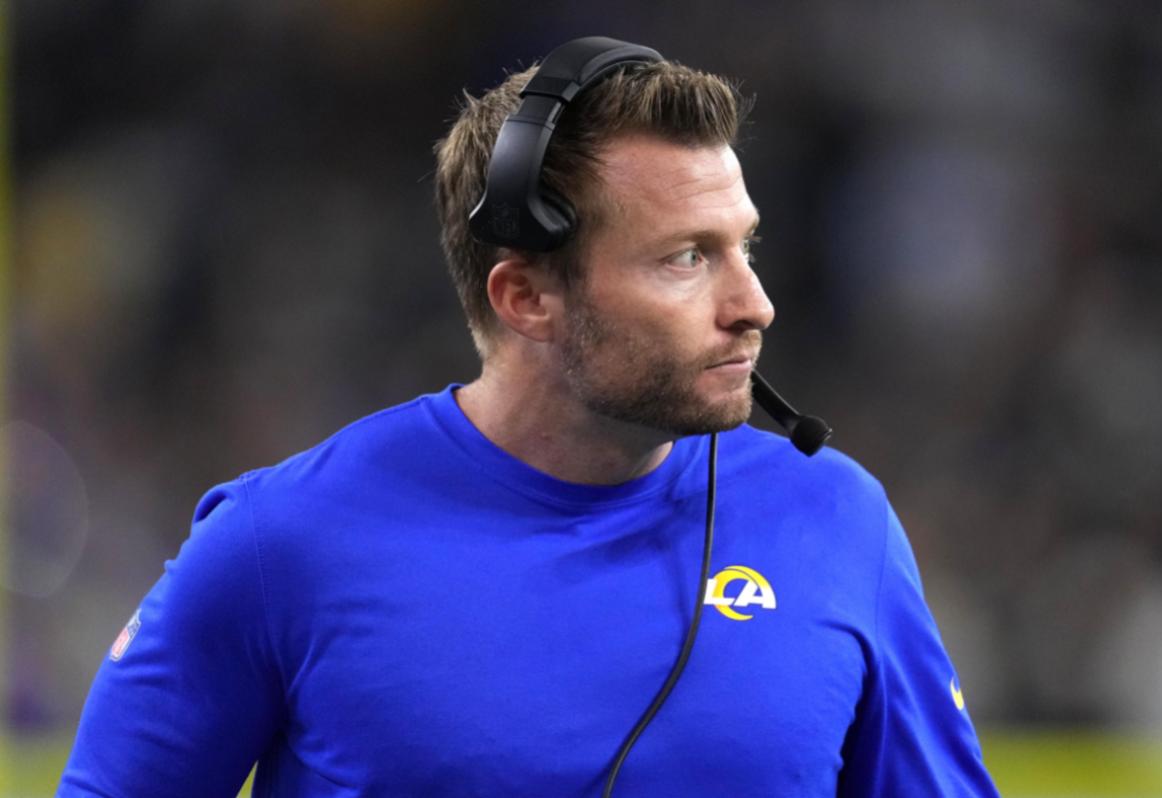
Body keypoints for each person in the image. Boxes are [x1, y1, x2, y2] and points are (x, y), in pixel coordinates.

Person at [58, 37, 999, 798]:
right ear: (527, 297)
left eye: (743, 247)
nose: (754, 304)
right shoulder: (279, 545)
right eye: (686, 258)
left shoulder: (840, 522)